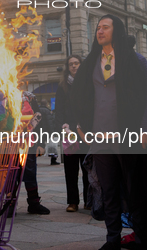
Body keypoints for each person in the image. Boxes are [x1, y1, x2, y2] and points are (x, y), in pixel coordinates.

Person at [70, 15, 147, 250]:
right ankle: (113, 240)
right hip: (100, 139)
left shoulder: (136, 60)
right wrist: (80, 125)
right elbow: (79, 96)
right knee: (108, 191)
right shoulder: (90, 62)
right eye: (98, 27)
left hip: (129, 136)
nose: (99, 31)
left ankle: (142, 238)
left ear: (116, 30)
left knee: (136, 190)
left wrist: (146, 129)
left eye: (105, 27)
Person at [56, 54, 90, 213]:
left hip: (85, 132)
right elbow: (59, 111)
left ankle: (89, 200)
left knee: (87, 168)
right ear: (67, 67)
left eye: (77, 63)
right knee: (70, 170)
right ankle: (73, 202)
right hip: (69, 132)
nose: (74, 66)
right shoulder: (62, 87)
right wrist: (63, 128)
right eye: (71, 64)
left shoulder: (88, 84)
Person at [38, 99, 58, 165]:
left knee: (39, 145)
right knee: (52, 146)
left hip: (38, 131)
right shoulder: (47, 111)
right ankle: (53, 160)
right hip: (46, 131)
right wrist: (52, 133)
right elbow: (50, 123)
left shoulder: (37, 110)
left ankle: (34, 161)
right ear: (46, 104)